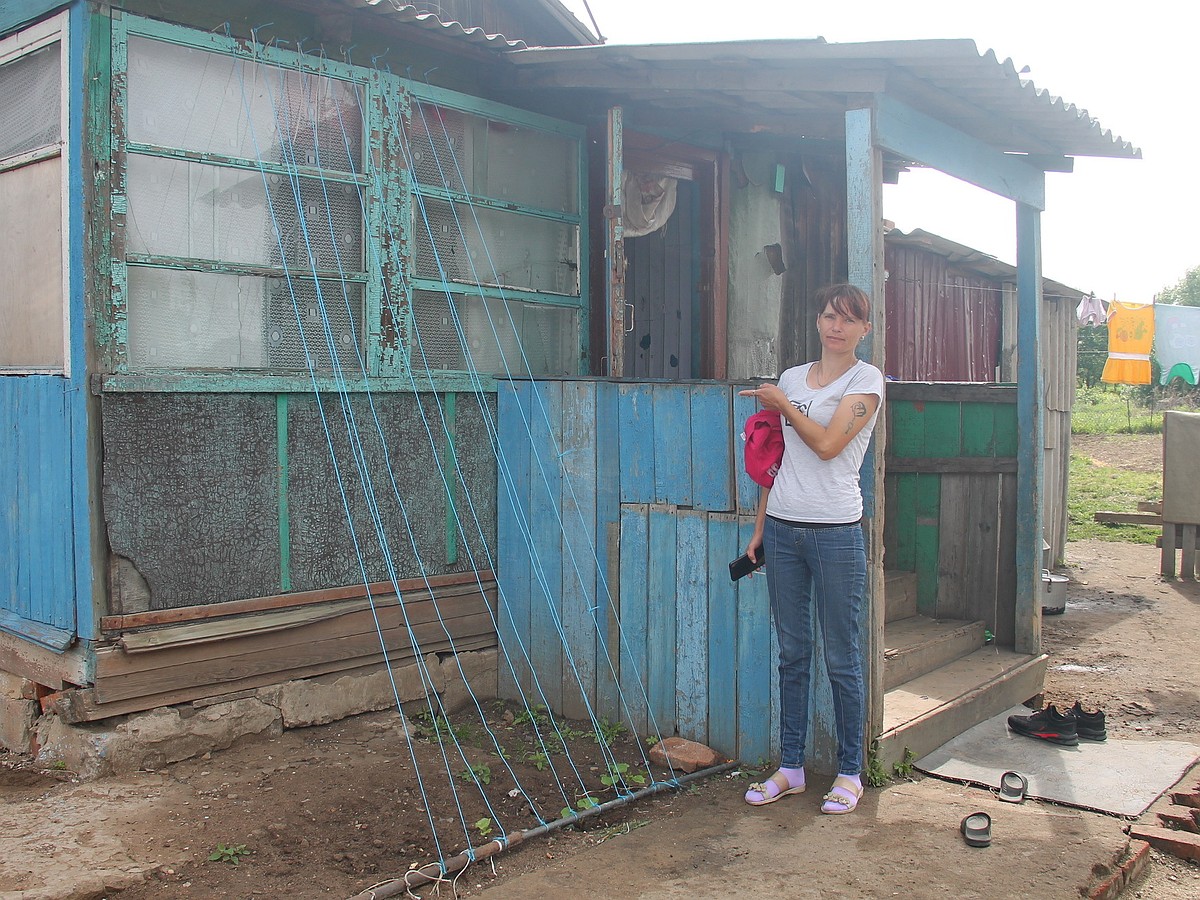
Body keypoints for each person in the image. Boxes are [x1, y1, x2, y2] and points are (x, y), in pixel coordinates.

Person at [737, 283, 883, 815]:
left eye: (847, 319)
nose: (835, 326)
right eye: (828, 316)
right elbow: (776, 458)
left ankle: (849, 771)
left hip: (835, 533)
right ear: (817, 321)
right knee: (792, 654)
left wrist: (782, 405)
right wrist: (759, 527)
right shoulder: (793, 378)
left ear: (863, 329)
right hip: (783, 529)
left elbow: (825, 446)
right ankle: (791, 767)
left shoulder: (868, 381)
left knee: (842, 657)